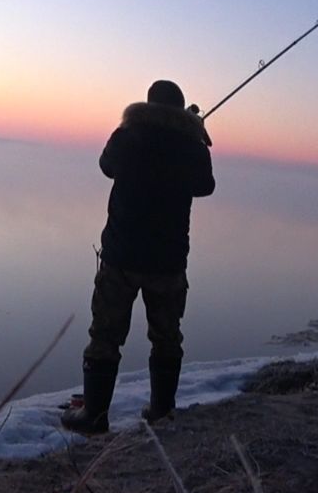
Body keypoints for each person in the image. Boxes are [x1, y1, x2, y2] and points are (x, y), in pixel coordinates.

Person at [59, 79, 215, 434]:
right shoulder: (191, 146)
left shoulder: (127, 136)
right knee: (167, 337)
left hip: (121, 257)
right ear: (180, 109)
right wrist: (195, 133)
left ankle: (94, 416)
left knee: (105, 335)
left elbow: (106, 165)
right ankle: (162, 411)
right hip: (168, 261)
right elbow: (205, 186)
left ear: (148, 104)